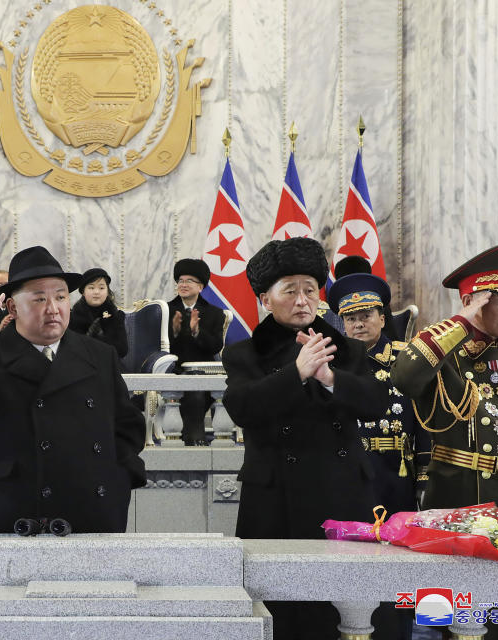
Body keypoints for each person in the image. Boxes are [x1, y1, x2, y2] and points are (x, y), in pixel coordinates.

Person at [222, 237, 386, 640]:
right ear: (265, 299)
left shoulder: (346, 350)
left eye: (310, 290)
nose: (302, 300)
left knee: (343, 609)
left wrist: (330, 378)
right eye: (290, 290)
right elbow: (243, 407)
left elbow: (375, 404)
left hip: (343, 494)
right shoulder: (243, 353)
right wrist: (295, 372)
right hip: (276, 498)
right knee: (279, 606)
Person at [0, 246, 146, 533]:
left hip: (94, 509)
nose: (53, 308)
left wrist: (117, 478)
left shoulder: (99, 355)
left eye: (61, 297)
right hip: (15, 511)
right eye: (40, 299)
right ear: (13, 308)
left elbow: (127, 426)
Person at [392, 242, 498, 640]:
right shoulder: (444, 354)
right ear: (472, 301)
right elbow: (405, 376)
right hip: (459, 506)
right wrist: (461, 320)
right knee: (444, 618)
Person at [328, 272, 430, 640]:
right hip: (346, 477)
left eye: (367, 315)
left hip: (394, 478)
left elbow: (426, 423)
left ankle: (397, 632)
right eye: (350, 317)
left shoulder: (406, 359)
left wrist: (424, 480)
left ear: (383, 318)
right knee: (347, 565)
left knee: (397, 568)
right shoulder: (330, 361)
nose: (358, 323)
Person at [168, 258, 225, 445]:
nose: (183, 285)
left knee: (197, 392)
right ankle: (192, 441)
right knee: (190, 391)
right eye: (181, 281)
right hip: (172, 372)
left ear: (200, 287)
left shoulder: (215, 313)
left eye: (189, 281)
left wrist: (196, 332)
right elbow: (157, 348)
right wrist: (174, 332)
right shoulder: (165, 310)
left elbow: (216, 346)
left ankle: (194, 441)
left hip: (203, 373)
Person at [69, 267, 128, 358]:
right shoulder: (73, 317)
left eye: (101, 288)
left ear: (107, 291)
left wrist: (101, 337)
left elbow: (122, 350)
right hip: (82, 365)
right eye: (91, 288)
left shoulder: (115, 315)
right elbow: (71, 351)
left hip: (109, 363)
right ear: (83, 292)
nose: (96, 292)